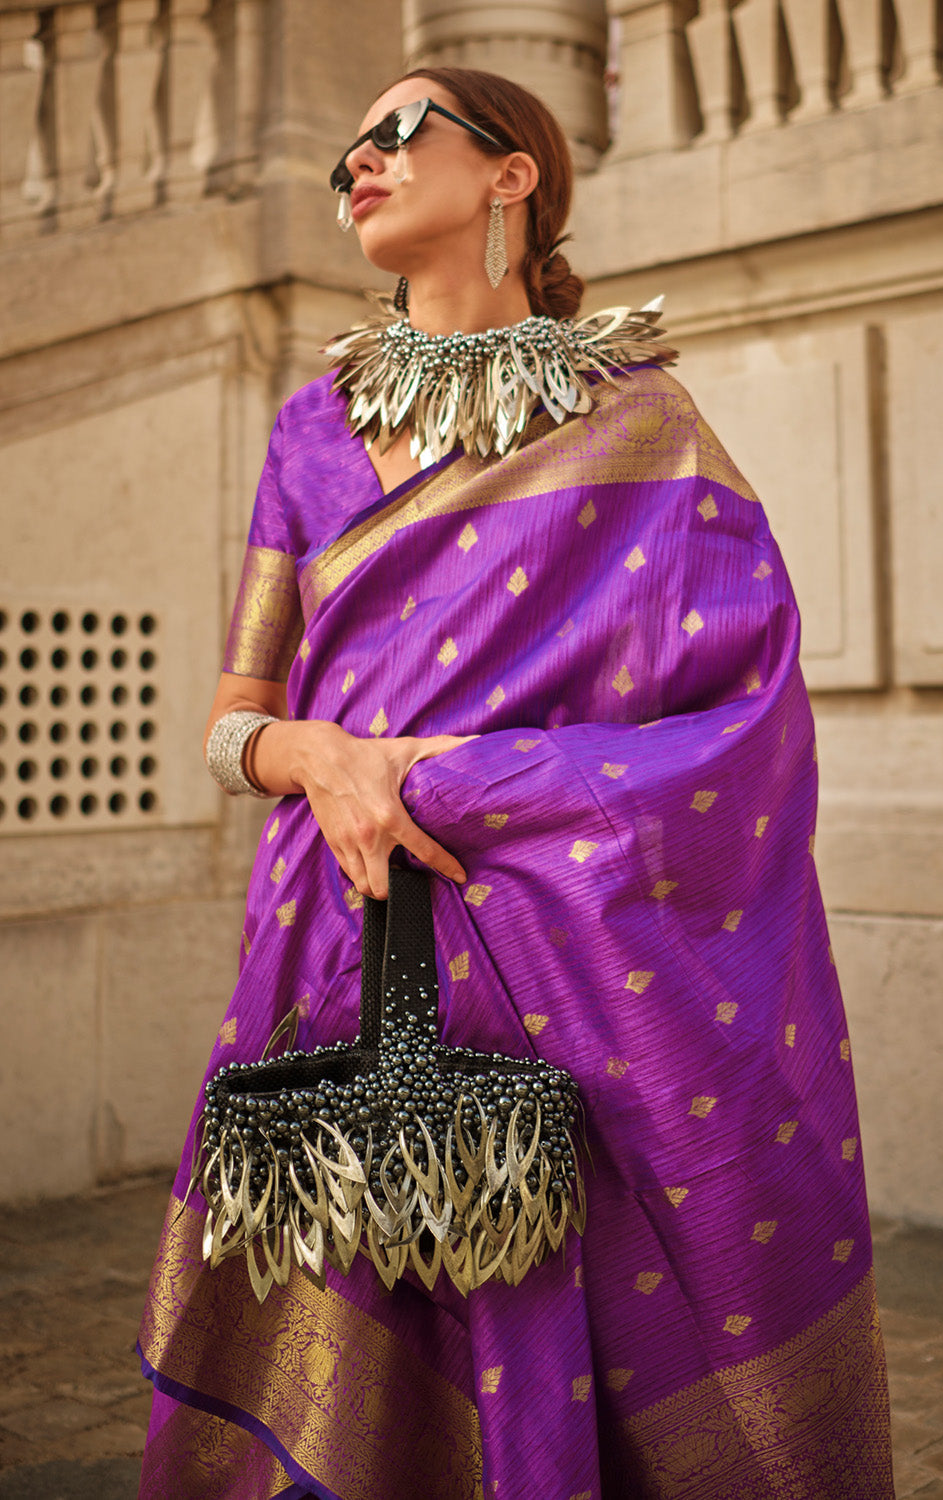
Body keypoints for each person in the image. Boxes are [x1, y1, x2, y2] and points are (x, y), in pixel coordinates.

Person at [137, 66, 896, 1500]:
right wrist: (325, 757)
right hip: (333, 935)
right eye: (347, 140)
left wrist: (473, 779)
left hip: (563, 962)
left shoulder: (642, 425)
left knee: (572, 1339)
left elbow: (746, 723)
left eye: (397, 128)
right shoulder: (310, 433)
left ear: (512, 175)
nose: (355, 158)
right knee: (336, 1310)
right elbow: (239, 715)